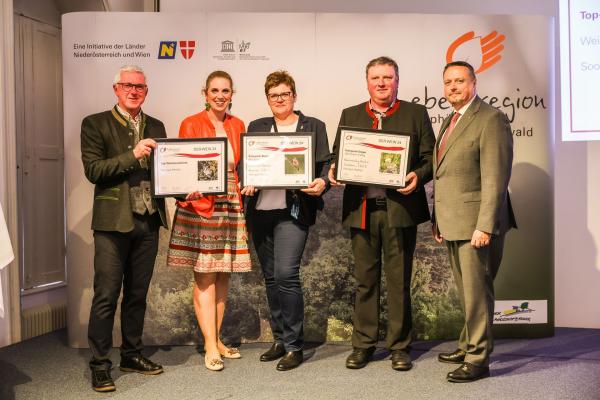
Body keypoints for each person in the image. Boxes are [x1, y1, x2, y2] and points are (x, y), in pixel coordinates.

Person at [329, 56, 435, 371]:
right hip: (362, 210)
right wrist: (335, 169)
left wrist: (418, 176)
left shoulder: (416, 113)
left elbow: (430, 158)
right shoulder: (350, 114)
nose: (381, 83)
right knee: (365, 281)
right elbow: (338, 156)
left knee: (399, 281)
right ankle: (363, 345)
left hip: (400, 210)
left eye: (387, 77)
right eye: (375, 78)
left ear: (397, 81)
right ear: (367, 82)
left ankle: (400, 347)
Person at [81, 65, 167, 392]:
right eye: (128, 86)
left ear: (146, 91)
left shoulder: (156, 125)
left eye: (140, 87)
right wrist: (133, 154)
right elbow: (94, 170)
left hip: (148, 220)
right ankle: (100, 364)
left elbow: (166, 171)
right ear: (116, 88)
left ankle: (131, 353)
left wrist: (183, 187)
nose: (134, 91)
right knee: (106, 295)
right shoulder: (95, 123)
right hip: (112, 223)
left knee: (137, 295)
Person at [432, 61, 516, 382]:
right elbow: (445, 176)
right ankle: (467, 343)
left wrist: (484, 225)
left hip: (475, 226)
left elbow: (496, 178)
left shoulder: (491, 119)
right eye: (448, 82)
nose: (453, 87)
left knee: (478, 293)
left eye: (459, 81)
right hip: (452, 222)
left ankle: (478, 359)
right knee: (467, 292)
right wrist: (438, 219)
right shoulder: (451, 120)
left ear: (473, 83)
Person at [243, 70, 331, 371]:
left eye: (285, 94)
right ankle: (280, 338)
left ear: (294, 95)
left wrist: (322, 183)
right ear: (267, 99)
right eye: (273, 95)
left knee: (286, 274)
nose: (279, 99)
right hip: (260, 211)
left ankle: (295, 345)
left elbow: (324, 165)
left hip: (293, 210)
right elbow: (246, 164)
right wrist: (248, 179)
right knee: (270, 278)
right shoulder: (256, 126)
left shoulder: (313, 126)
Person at [167, 70, 251, 372]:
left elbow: (243, 166)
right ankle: (210, 346)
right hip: (201, 205)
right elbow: (181, 165)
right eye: (214, 90)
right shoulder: (190, 123)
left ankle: (215, 340)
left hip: (230, 204)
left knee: (223, 275)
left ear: (232, 94)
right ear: (205, 93)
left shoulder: (238, 124)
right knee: (204, 275)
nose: (220, 96)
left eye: (225, 91)